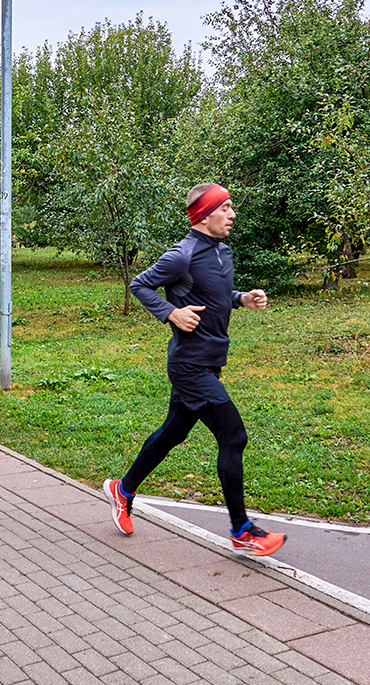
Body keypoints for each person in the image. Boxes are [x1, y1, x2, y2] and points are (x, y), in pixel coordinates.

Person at [103, 182, 286, 556]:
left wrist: (241, 299)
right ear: (205, 214)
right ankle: (242, 530)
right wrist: (170, 311)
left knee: (172, 434)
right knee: (234, 437)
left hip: (210, 360)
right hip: (189, 366)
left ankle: (123, 489)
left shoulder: (223, 252)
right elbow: (140, 285)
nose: (233, 214)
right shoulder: (181, 255)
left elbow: (214, 295)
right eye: (226, 208)